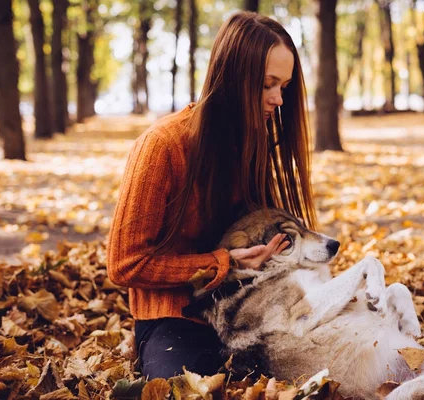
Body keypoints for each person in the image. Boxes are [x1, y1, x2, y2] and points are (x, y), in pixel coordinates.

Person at [107, 11, 317, 380]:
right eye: (268, 84)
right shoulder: (162, 145)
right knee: (195, 386)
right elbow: (124, 263)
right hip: (174, 318)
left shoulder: (252, 145)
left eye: (283, 86)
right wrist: (225, 262)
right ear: (234, 78)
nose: (278, 99)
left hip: (248, 308)